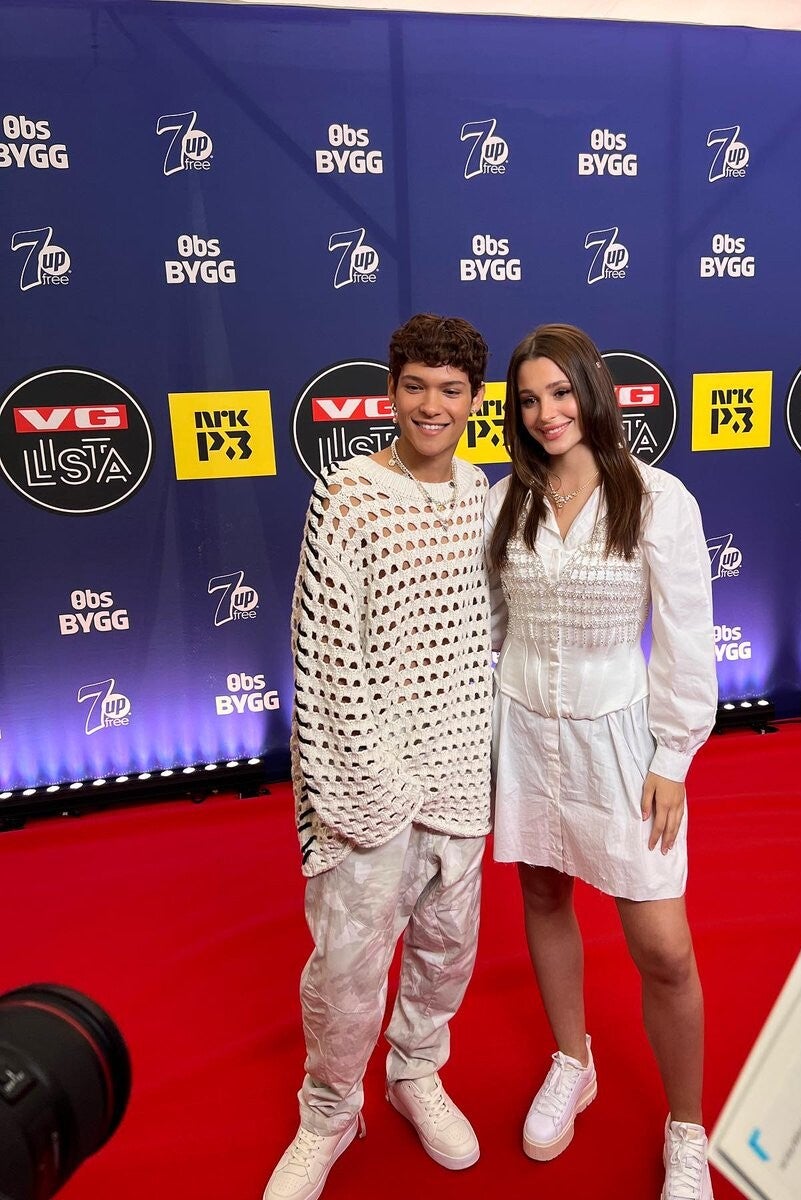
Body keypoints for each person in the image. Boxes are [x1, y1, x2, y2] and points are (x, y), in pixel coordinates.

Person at [484, 324, 718, 1199]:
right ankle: (571, 1060)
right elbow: (492, 628)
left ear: (591, 390)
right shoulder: (503, 501)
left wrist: (674, 755)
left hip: (621, 743)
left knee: (664, 949)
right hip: (522, 733)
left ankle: (686, 1128)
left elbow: (687, 638)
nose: (546, 413)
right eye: (528, 400)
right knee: (544, 895)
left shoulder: (658, 500)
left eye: (559, 391)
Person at [264, 314, 493, 1200]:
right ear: (390, 392)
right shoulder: (348, 494)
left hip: (462, 765)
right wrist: (371, 783)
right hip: (367, 774)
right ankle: (328, 1114)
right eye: (415, 386)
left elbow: (488, 631)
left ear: (474, 401)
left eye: (450, 389)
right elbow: (326, 653)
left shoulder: (481, 493)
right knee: (347, 968)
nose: (432, 405)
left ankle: (415, 1072)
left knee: (447, 948)